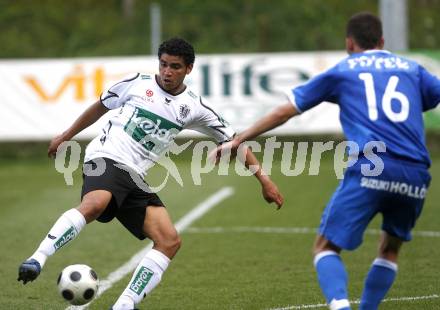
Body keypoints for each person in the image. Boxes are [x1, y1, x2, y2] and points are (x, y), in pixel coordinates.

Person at [17, 37, 284, 309]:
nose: (167, 72)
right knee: (96, 204)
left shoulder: (194, 107)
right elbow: (100, 106)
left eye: (175, 67)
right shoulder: (137, 83)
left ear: (188, 69)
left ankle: (124, 305)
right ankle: (37, 259)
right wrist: (65, 135)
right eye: (164, 64)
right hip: (105, 156)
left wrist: (264, 180)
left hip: (134, 175)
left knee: (169, 241)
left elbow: (235, 140)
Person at [211, 12, 440, 310]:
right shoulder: (413, 70)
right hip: (415, 173)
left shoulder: (343, 71)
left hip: (372, 167)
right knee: (390, 249)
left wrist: (240, 138)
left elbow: (286, 111)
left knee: (325, 248)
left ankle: (340, 306)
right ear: (382, 41)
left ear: (349, 43)